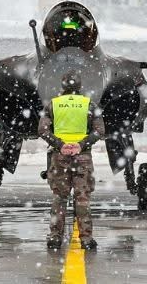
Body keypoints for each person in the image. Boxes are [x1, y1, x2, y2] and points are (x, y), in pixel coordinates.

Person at [38, 72, 105, 251]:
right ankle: (87, 239)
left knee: (59, 197)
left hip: (59, 157)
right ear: (79, 86)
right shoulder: (89, 105)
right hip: (82, 156)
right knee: (82, 198)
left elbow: (42, 130)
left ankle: (54, 237)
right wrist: (81, 144)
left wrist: (60, 144)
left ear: (63, 85)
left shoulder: (53, 105)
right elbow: (99, 131)